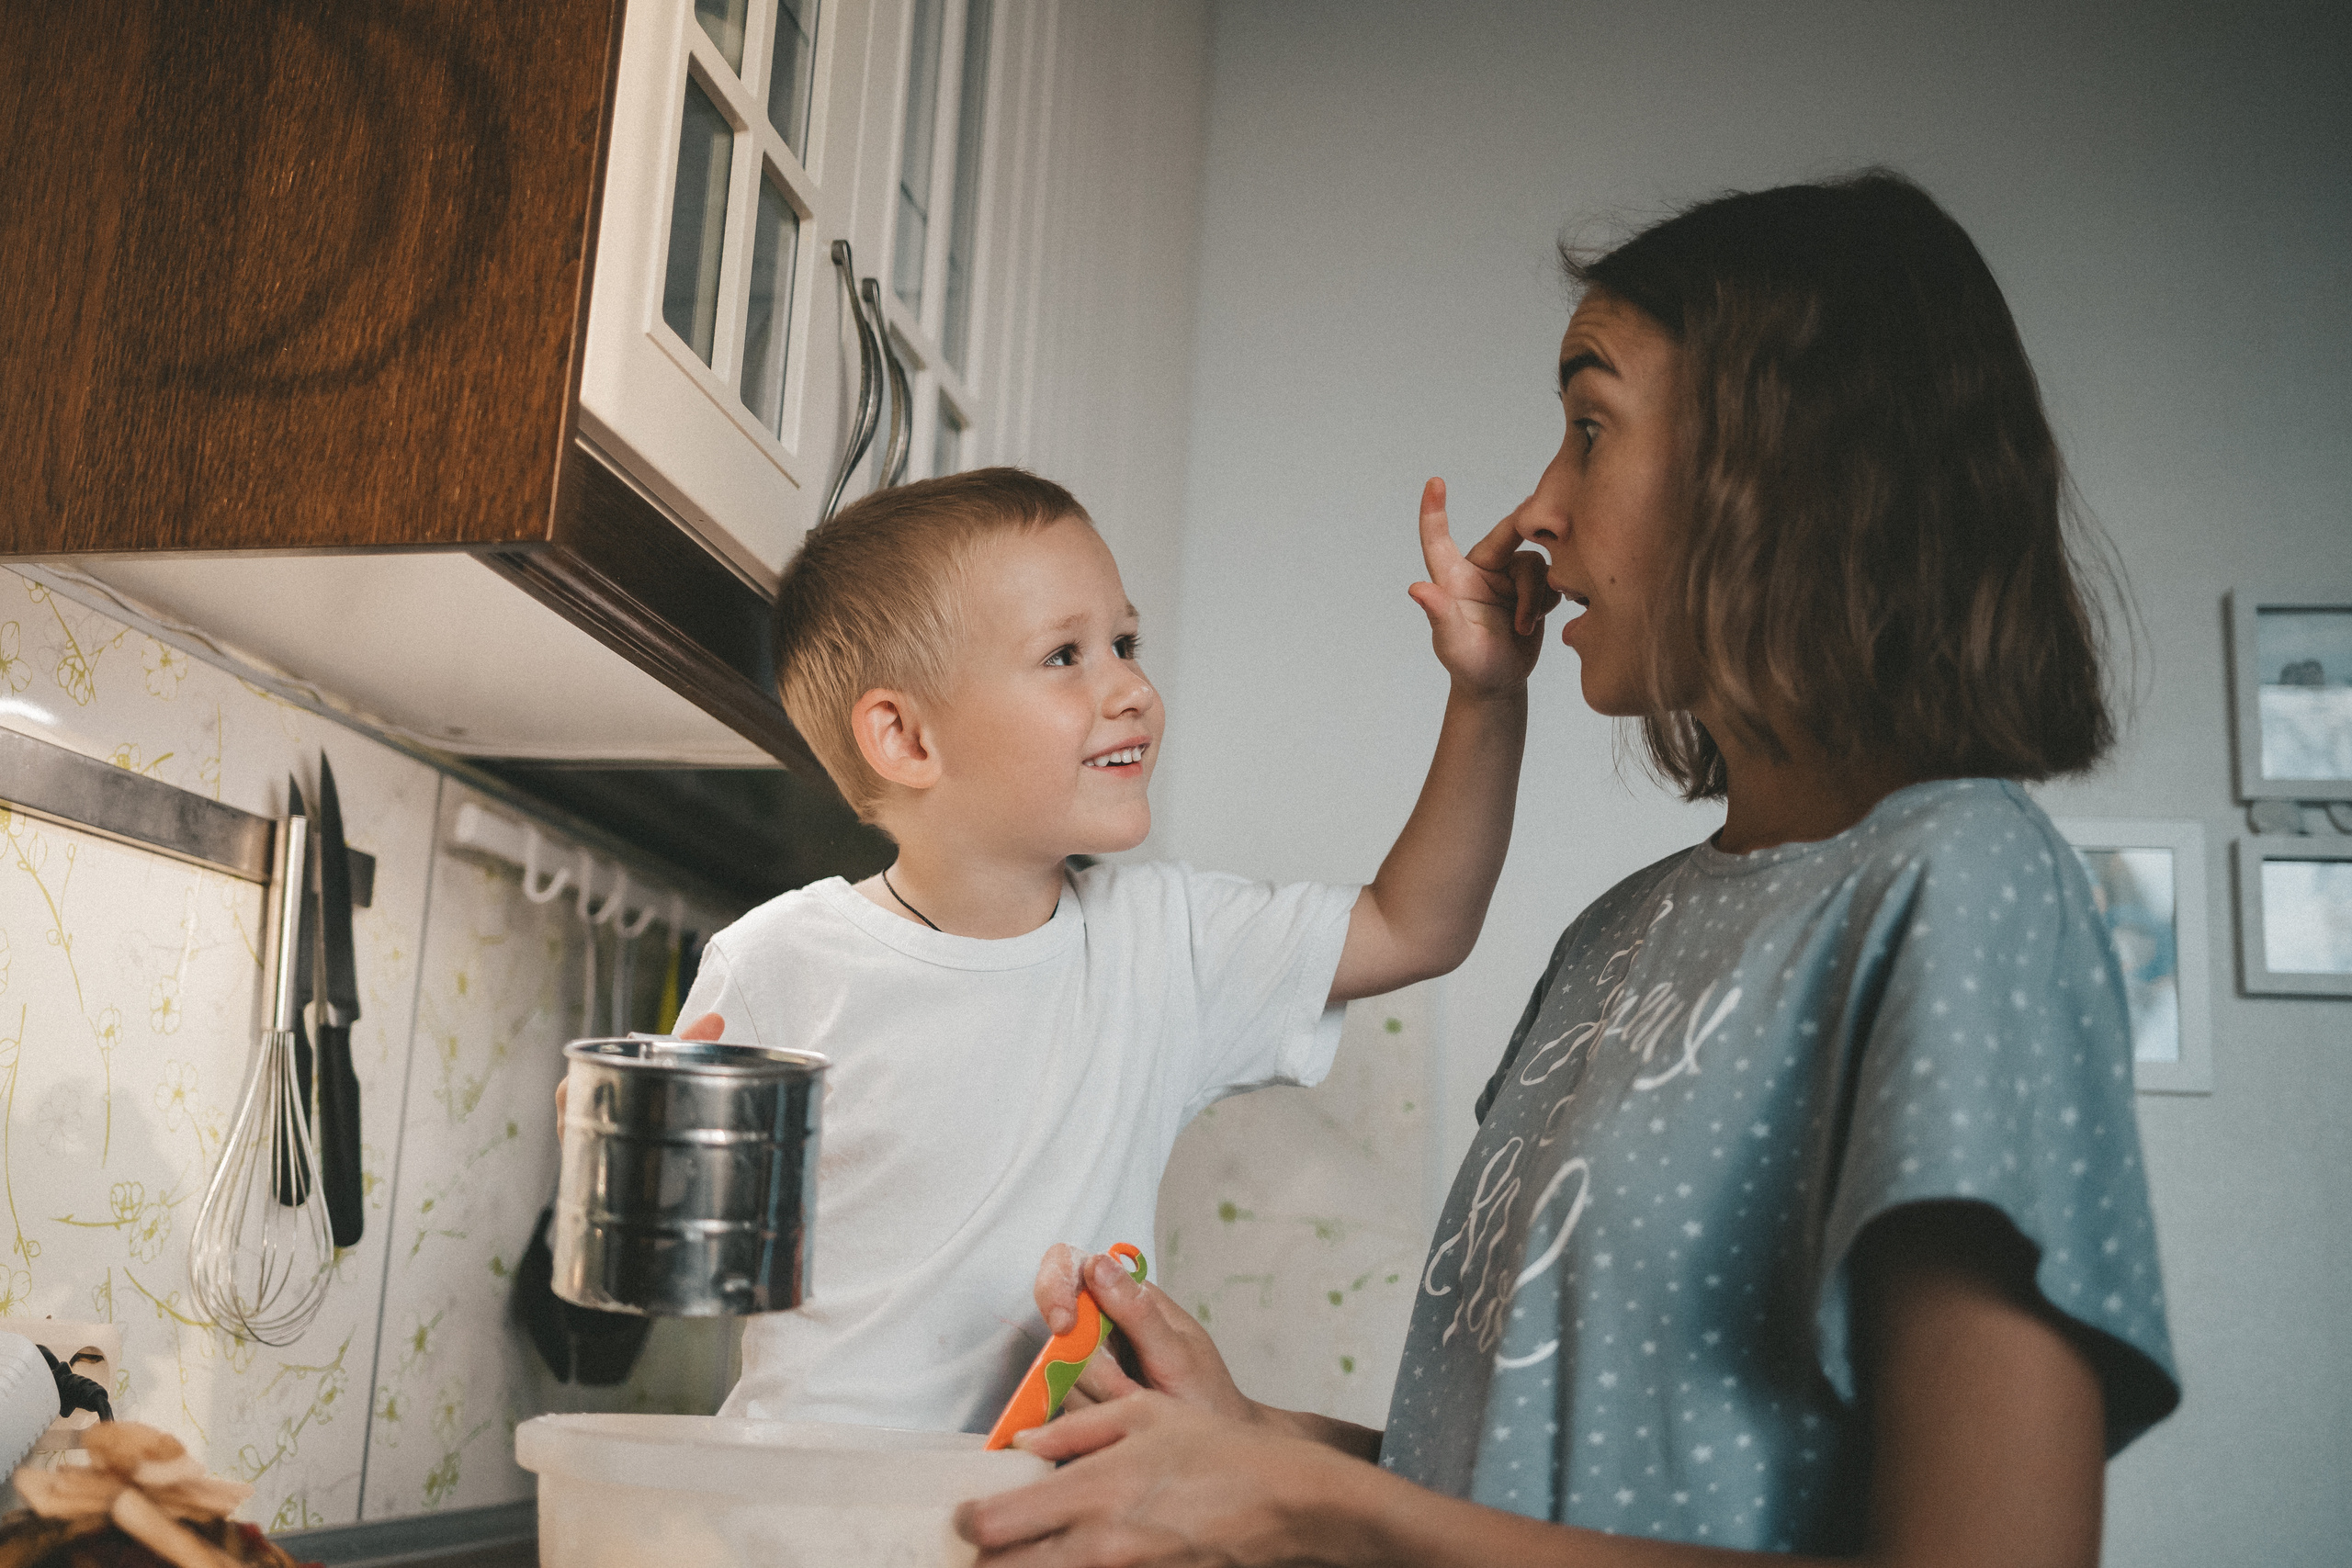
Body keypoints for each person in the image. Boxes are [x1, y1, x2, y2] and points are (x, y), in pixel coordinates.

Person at [967, 171, 2182, 1565]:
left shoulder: (1959, 885)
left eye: (1590, 428)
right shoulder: (1625, 929)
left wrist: (1315, 1504)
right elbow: (1535, 1484)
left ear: (1783, 469)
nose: (1538, 506)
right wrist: (1256, 1442)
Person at [631, 466, 1548, 1434]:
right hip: (804, 1519)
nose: (1133, 689)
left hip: (1048, 1515)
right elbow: (680, 1250)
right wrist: (635, 1148)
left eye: (1125, 642)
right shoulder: (777, 961)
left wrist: (1485, 699)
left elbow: (1416, 926)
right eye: (1065, 656)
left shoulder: (1167, 947)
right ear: (904, 738)